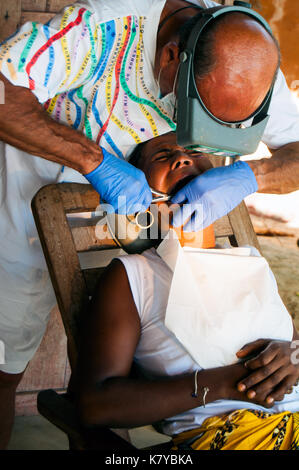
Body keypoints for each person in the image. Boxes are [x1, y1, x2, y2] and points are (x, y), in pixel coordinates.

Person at [0, 0, 298, 448]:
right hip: (41, 185)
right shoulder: (101, 32)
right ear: (169, 58)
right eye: (201, 118)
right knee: (6, 357)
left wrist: (249, 175)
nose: (186, 152)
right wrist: (93, 160)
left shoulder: (243, 55)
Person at [74, 132, 299, 450]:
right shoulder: (136, 276)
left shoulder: (249, 259)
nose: (182, 158)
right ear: (141, 188)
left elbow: (292, 345)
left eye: (195, 151)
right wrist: (224, 384)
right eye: (162, 156)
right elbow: (94, 405)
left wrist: (294, 356)